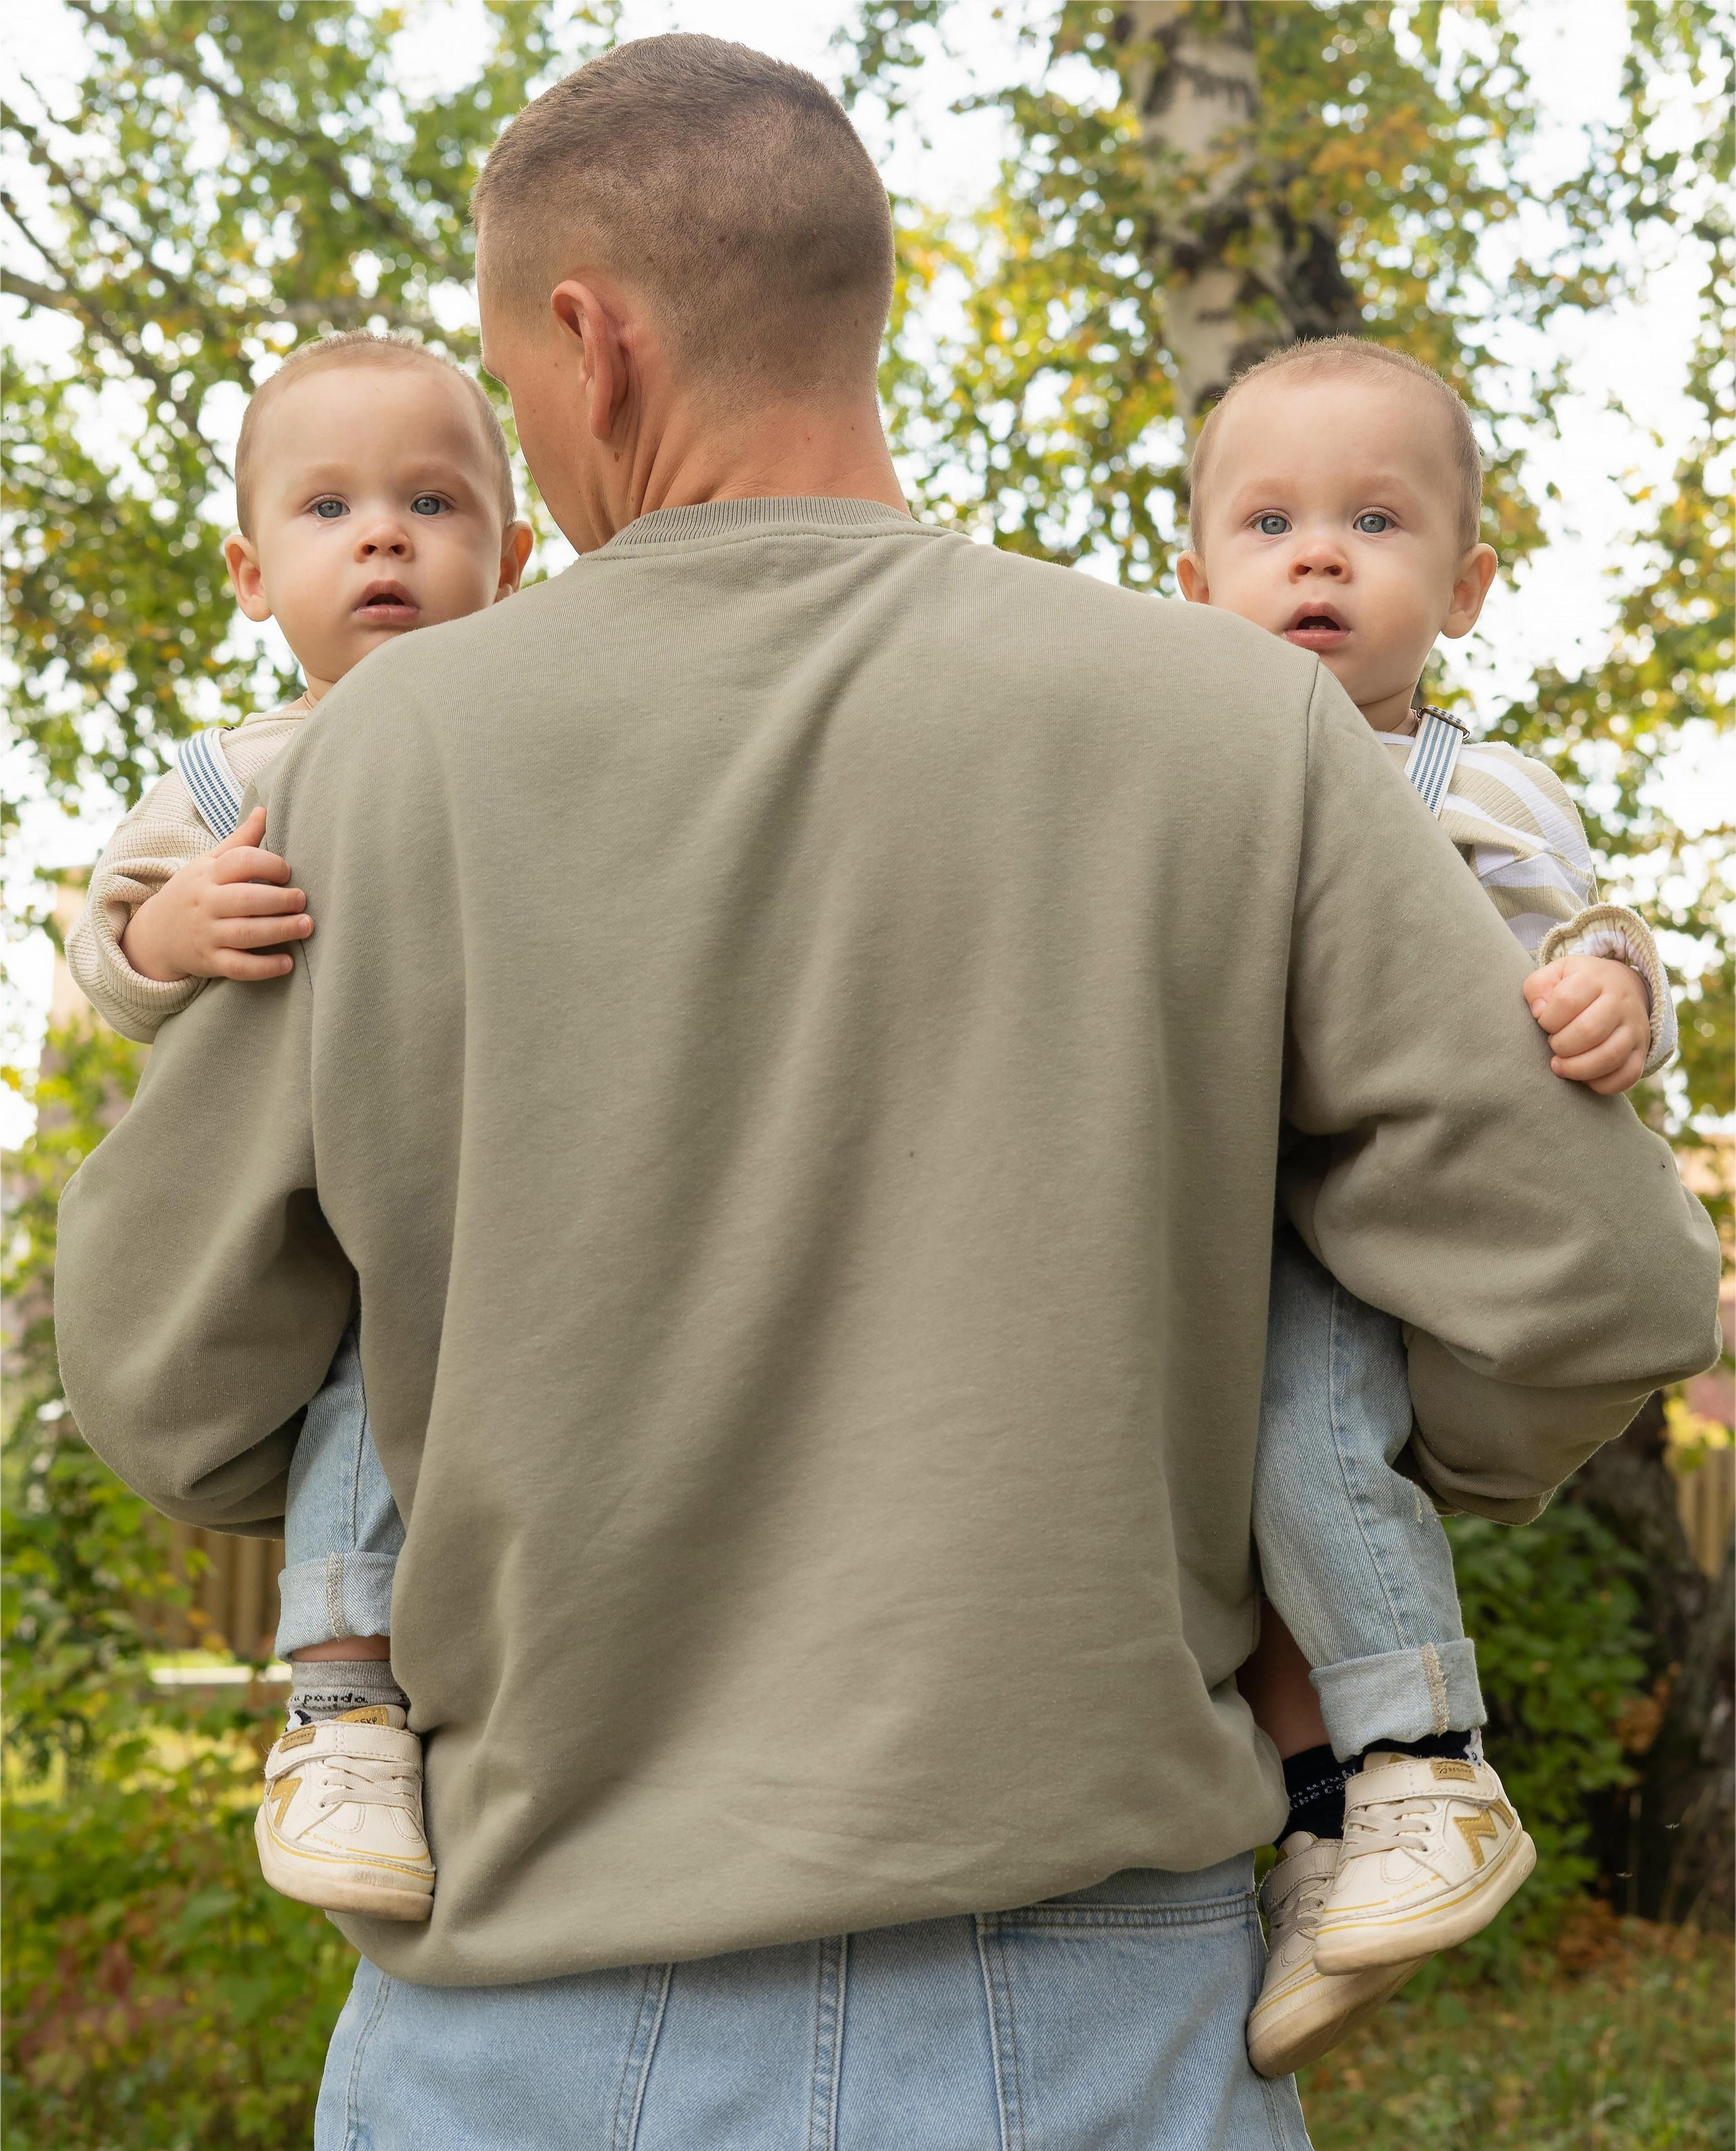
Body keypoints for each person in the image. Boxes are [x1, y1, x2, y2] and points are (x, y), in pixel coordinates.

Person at [56, 35, 1720, 2151]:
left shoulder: (370, 766)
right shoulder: (1239, 725)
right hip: (1106, 2023)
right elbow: (1597, 1284)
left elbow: (164, 1368)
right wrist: (1319, 1474)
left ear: (590, 341)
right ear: (866, 299)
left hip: (532, 2005)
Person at [1169, 337, 1676, 2076]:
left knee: (1305, 1444)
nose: (1317, 553)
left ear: (1460, 590)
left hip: (1355, 1214)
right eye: (1268, 523)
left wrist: (1613, 985)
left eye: (1372, 522)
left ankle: (1426, 1763)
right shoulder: (1181, 774)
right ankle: (1322, 1826)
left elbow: (1583, 932)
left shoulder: (1472, 783)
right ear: (1192, 587)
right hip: (1203, 1213)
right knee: (1234, 1537)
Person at [66, 331, 533, 1919]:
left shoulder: (531, 737)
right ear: (254, 574)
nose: (384, 535)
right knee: (365, 1386)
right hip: (337, 1198)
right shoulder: (236, 774)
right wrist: (171, 930)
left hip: (513, 1177)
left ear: (512, 561)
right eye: (330, 508)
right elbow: (107, 945)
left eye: (432, 502)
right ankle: (339, 1702)